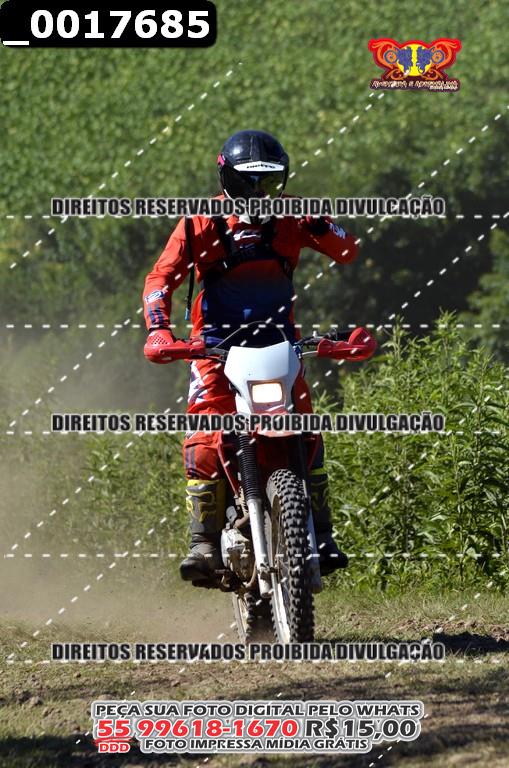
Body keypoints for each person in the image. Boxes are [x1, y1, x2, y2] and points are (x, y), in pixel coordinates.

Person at [143, 129, 359, 584]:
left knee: (306, 428)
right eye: (248, 183)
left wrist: (324, 226)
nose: (260, 194)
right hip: (214, 348)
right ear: (227, 180)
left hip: (279, 344)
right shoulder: (198, 222)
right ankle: (203, 540)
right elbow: (160, 279)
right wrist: (159, 329)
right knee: (206, 432)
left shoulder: (293, 215)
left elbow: (347, 252)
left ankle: (321, 533)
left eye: (270, 182)